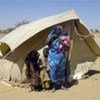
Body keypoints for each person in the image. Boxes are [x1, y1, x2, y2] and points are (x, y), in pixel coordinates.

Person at [46, 25, 70, 92]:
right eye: (56, 29)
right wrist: (53, 37)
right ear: (54, 30)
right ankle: (54, 87)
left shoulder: (63, 38)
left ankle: (62, 86)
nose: (58, 31)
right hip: (53, 57)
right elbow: (46, 42)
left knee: (61, 71)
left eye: (59, 29)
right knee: (53, 72)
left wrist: (63, 43)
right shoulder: (51, 36)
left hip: (61, 56)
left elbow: (67, 48)